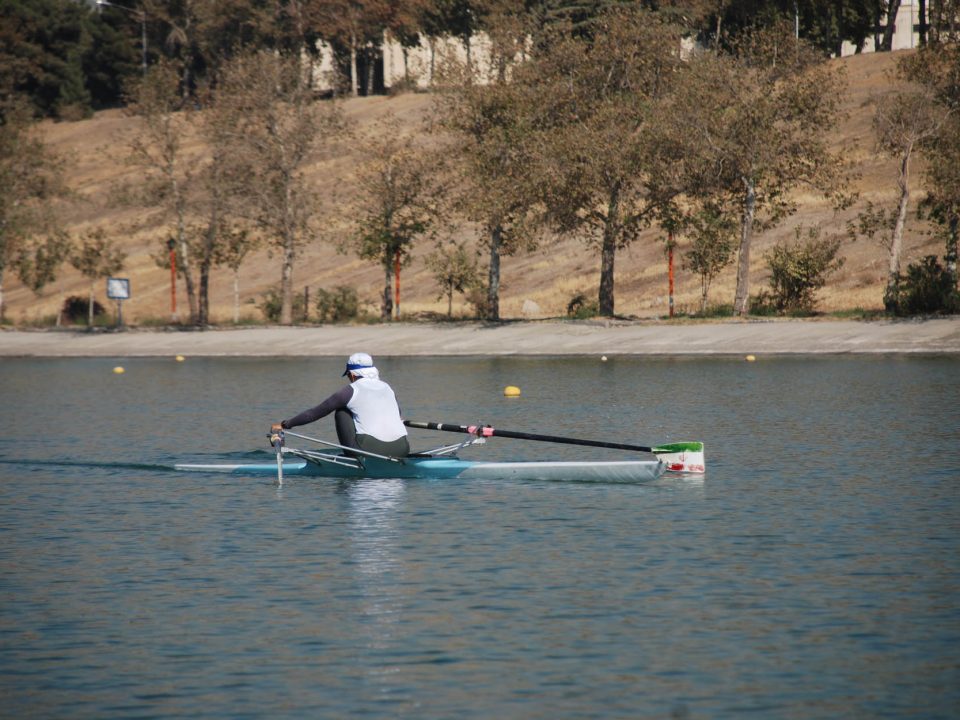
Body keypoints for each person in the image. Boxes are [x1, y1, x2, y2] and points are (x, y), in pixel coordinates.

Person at [273, 352, 410, 458]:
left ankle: (352, 456)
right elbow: (398, 415)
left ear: (352, 374)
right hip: (402, 449)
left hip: (369, 450)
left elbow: (313, 414)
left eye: (348, 376)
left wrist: (285, 424)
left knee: (342, 411)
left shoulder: (350, 391)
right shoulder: (387, 388)